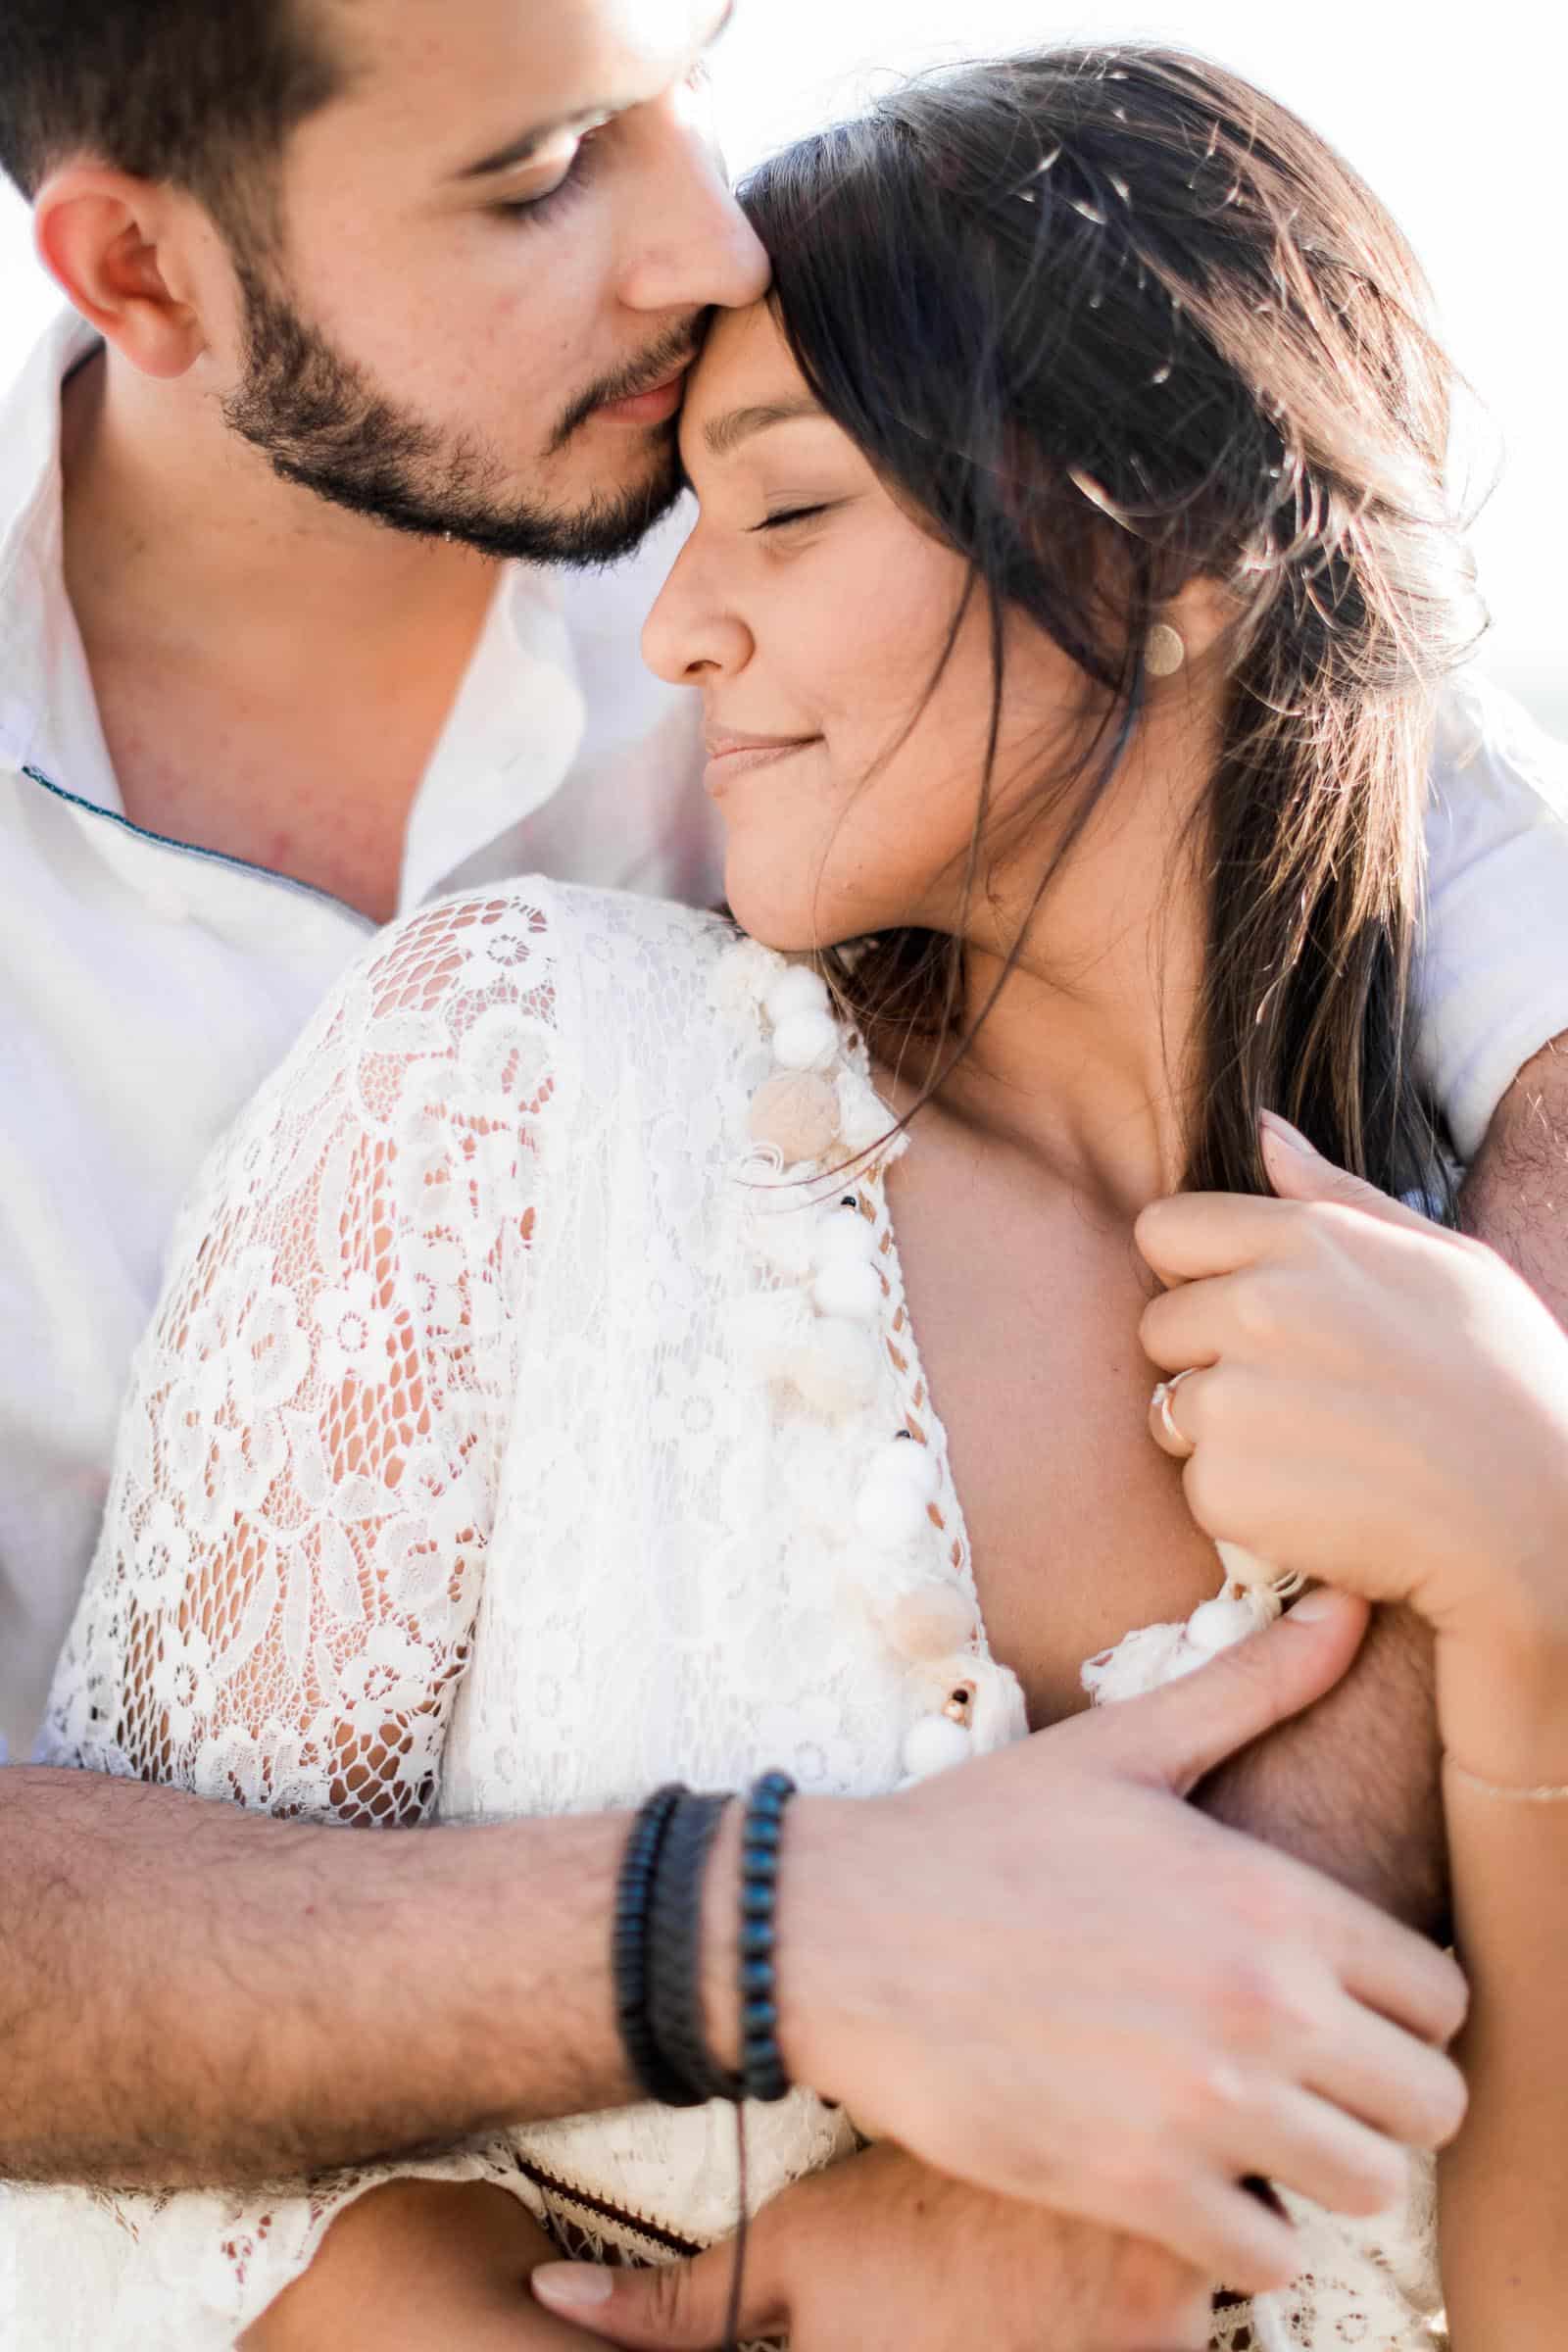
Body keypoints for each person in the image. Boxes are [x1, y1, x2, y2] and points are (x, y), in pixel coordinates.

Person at [10, 42, 1564, 2350]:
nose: (696, 231)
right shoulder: (535, 1026)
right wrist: (781, 1938)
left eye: (681, 78)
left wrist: (1512, 1568)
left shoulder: (761, 374)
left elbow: (1387, 768)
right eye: (535, 168)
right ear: (141, 267)